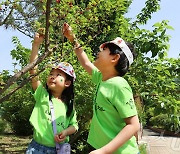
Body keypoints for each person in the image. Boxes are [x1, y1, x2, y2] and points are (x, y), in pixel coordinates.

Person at [62, 23, 140, 154]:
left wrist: (103, 151)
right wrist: (72, 38)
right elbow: (86, 62)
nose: (99, 51)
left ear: (115, 58)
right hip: (101, 148)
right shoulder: (101, 78)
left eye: (104, 50)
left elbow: (133, 125)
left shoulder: (119, 85)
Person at [26, 32, 78, 154]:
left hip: (57, 150)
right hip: (36, 149)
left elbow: (74, 126)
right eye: (51, 74)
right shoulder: (42, 95)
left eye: (58, 75)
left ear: (67, 83)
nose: (52, 77)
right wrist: (36, 45)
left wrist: (65, 132)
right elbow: (33, 73)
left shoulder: (68, 105)